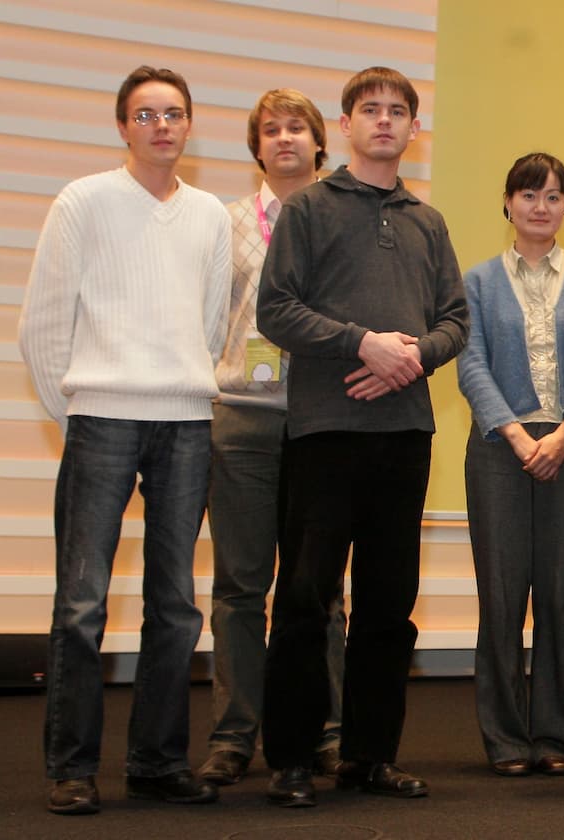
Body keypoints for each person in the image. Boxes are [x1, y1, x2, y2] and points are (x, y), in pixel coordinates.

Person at [21, 64, 230, 816]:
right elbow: (42, 321)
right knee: (82, 601)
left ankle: (156, 761)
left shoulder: (209, 213)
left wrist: (179, 382)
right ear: (122, 126)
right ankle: (71, 767)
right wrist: (78, 404)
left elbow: (210, 322)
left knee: (175, 604)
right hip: (102, 418)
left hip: (185, 422)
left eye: (174, 113)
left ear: (189, 124)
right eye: (146, 115)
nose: (162, 126)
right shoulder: (84, 201)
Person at [257, 66, 468, 807]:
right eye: (370, 110)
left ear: (414, 128)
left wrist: (410, 358)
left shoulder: (427, 221)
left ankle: (369, 757)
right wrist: (361, 344)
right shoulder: (309, 208)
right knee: (307, 598)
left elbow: (455, 322)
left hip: (405, 432)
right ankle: (289, 757)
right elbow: (276, 311)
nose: (385, 121)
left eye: (398, 111)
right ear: (346, 125)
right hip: (324, 433)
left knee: (389, 604)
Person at [198, 88, 347, 790]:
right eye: (271, 130)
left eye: (298, 128)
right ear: (256, 147)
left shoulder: (342, 220)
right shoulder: (222, 225)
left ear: (321, 144)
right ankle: (234, 734)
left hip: (322, 420)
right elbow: (200, 321)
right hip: (243, 416)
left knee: (321, 589)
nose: (285, 138)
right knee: (238, 586)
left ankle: (325, 729)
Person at [456, 152, 564, 778]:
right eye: (529, 195)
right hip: (498, 449)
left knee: (561, 596)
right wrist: (515, 434)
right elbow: (471, 362)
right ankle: (507, 739)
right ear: (507, 203)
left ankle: (559, 737)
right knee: (503, 598)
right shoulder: (477, 281)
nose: (541, 206)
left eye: (553, 196)